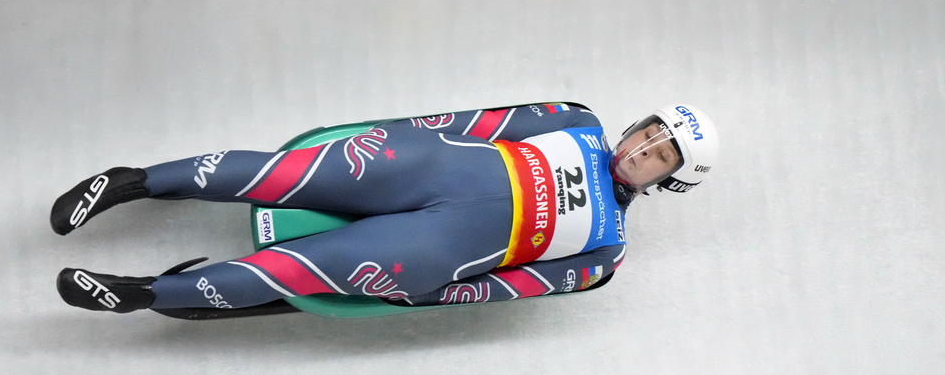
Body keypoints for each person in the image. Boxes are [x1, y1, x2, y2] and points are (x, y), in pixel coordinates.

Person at [52, 102, 718, 315]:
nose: (642, 150)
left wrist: (432, 296)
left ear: (670, 178)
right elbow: (483, 120)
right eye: (649, 134)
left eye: (660, 156)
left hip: (440, 248)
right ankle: (132, 181)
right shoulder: (576, 119)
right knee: (276, 172)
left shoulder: (607, 254)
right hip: (429, 163)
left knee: (293, 269)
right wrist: (407, 134)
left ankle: (145, 293)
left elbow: (511, 285)